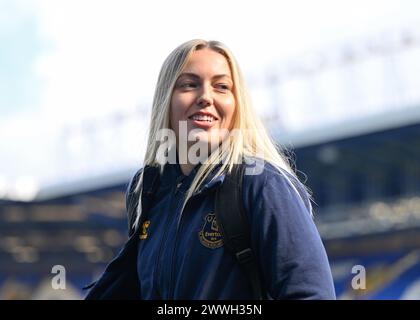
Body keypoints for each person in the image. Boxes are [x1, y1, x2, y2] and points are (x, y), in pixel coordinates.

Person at [85, 39, 336, 300]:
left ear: (237, 103)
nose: (205, 97)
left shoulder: (261, 184)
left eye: (222, 87)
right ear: (166, 100)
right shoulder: (145, 191)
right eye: (189, 85)